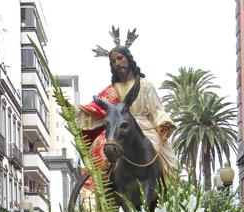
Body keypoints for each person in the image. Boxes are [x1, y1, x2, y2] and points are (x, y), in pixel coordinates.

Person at [74, 28, 178, 181]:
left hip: (145, 128)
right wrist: (72, 109)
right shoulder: (113, 90)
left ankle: (171, 194)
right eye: (113, 61)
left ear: (128, 59)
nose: (117, 63)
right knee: (102, 162)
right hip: (119, 132)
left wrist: (163, 121)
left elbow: (157, 110)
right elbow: (94, 110)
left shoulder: (145, 85)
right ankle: (107, 198)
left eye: (120, 58)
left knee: (171, 163)